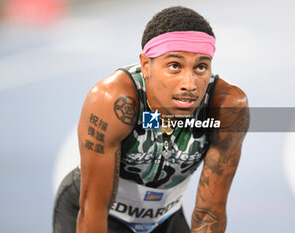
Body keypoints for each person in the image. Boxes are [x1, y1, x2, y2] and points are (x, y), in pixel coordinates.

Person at [53, 6, 249, 233]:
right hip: (101, 216)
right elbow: (94, 211)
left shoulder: (227, 108)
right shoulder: (114, 102)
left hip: (165, 217)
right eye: (174, 66)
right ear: (146, 66)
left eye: (201, 67)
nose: (190, 84)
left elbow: (210, 213)